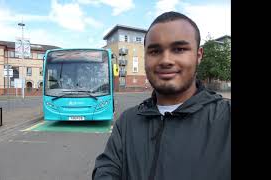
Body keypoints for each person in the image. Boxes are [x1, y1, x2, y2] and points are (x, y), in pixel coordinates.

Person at [92, 11, 230, 180]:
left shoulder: (225, 119)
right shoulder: (127, 122)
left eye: (179, 49)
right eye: (155, 51)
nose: (165, 60)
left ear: (198, 55)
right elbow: (106, 170)